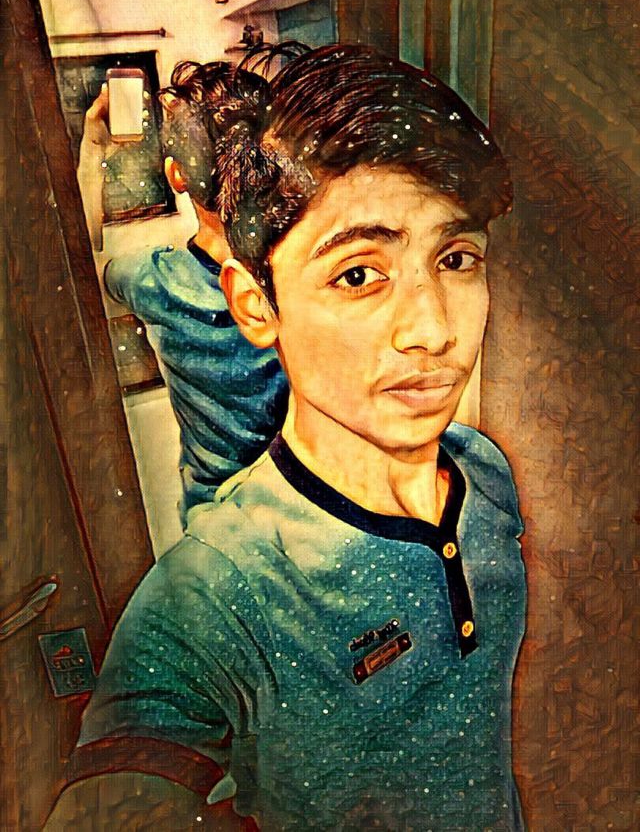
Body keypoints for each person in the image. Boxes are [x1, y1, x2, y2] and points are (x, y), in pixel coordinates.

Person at [48, 45, 526, 831]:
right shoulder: (213, 592)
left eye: (455, 257)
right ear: (255, 303)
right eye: (359, 274)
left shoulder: (485, 473)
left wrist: (96, 153)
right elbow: (124, 773)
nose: (433, 330)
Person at [79, 61, 288, 521]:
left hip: (214, 517)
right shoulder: (303, 268)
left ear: (176, 176)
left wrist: (94, 147)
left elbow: (78, 273)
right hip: (307, 509)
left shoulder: (156, 281)